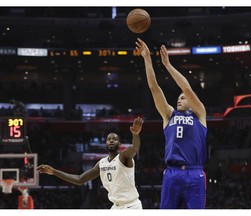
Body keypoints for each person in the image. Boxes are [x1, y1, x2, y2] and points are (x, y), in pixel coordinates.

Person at [136, 38, 207, 209]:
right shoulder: (169, 115)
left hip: (194, 172)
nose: (179, 100)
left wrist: (167, 65)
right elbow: (154, 87)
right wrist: (147, 58)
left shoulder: (199, 113)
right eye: (178, 98)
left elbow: (187, 89)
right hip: (172, 173)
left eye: (182, 98)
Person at [37, 117, 144, 209]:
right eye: (109, 139)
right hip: (116, 207)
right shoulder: (101, 163)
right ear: (105, 143)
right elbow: (79, 180)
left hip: (131, 206)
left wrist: (135, 134)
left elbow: (134, 148)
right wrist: (54, 172)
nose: (111, 140)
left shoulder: (124, 157)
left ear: (119, 143)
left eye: (115, 139)